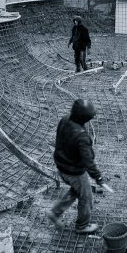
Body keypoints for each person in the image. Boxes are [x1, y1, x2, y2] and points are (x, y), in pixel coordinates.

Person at [46, 99, 105, 234]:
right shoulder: (82, 137)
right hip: (74, 171)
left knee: (76, 190)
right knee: (86, 196)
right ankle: (82, 226)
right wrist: (98, 177)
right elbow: (88, 161)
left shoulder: (65, 119)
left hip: (62, 166)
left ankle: (55, 212)